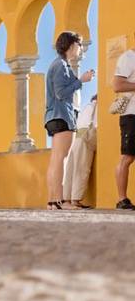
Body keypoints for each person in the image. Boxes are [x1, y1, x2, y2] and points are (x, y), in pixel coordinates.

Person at [44, 31, 94, 210]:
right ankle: (60, 201)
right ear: (72, 46)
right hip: (62, 116)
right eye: (79, 46)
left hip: (54, 116)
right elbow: (61, 93)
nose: (81, 50)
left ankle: (52, 201)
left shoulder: (57, 64)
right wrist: (81, 80)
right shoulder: (61, 66)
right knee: (61, 159)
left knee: (56, 159)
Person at [63, 94, 97, 209]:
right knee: (82, 168)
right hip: (87, 135)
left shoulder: (86, 107)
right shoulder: (97, 106)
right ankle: (76, 200)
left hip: (77, 136)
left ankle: (66, 199)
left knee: (71, 169)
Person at [115, 40, 135, 210]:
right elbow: (117, 85)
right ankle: (122, 199)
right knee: (128, 157)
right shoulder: (128, 57)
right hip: (131, 114)